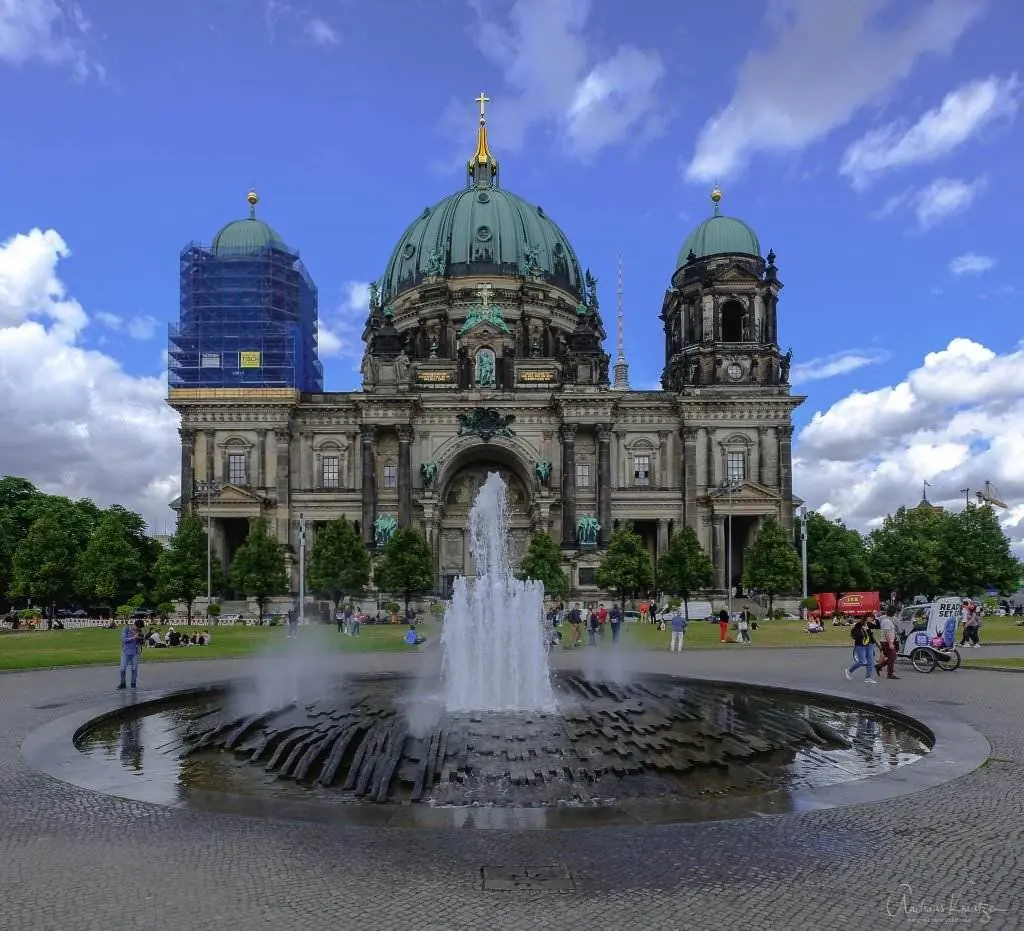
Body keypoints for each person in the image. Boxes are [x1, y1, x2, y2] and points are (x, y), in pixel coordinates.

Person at [844, 617, 878, 684]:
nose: (871, 620)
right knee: (862, 661)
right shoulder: (858, 626)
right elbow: (856, 636)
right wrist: (863, 630)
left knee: (870, 662)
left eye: (872, 618)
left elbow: (871, 636)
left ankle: (868, 678)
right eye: (870, 618)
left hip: (870, 645)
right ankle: (849, 671)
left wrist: (868, 630)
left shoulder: (869, 625)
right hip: (860, 646)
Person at [117, 619, 145, 690]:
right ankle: (123, 683)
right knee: (122, 669)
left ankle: (133, 684)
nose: (138, 629)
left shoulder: (139, 631)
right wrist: (133, 637)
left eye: (139, 628)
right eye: (138, 628)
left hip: (135, 652)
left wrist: (140, 638)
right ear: (135, 625)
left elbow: (142, 642)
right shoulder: (126, 629)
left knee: (134, 668)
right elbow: (123, 639)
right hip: (125, 652)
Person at [875, 607, 900, 679]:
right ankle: (889, 674)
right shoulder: (886, 621)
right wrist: (890, 643)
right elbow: (886, 633)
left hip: (887, 642)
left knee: (892, 657)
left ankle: (879, 666)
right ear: (893, 613)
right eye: (895, 613)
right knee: (893, 657)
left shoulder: (888, 620)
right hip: (886, 642)